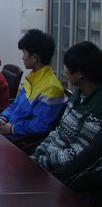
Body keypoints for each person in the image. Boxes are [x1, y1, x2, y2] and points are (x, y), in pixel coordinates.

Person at [31, 41, 102, 172]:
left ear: (80, 74)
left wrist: (42, 161)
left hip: (64, 172)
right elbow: (59, 130)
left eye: (67, 67)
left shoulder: (98, 107)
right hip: (46, 159)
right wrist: (38, 153)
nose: (64, 71)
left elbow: (79, 153)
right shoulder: (78, 94)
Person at [0, 30, 66, 138]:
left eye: (24, 53)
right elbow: (15, 104)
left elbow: (40, 126)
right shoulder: (33, 77)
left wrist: (12, 128)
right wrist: (3, 117)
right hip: (8, 133)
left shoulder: (51, 88)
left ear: (34, 58)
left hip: (20, 141)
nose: (22, 57)